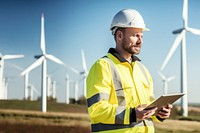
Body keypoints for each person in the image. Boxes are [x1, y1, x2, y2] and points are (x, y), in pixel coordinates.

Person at [86, 9, 172, 133]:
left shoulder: (142, 70)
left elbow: (148, 108)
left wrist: (159, 113)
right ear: (120, 35)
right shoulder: (103, 66)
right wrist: (132, 114)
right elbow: (96, 110)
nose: (140, 40)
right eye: (135, 35)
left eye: (141, 36)